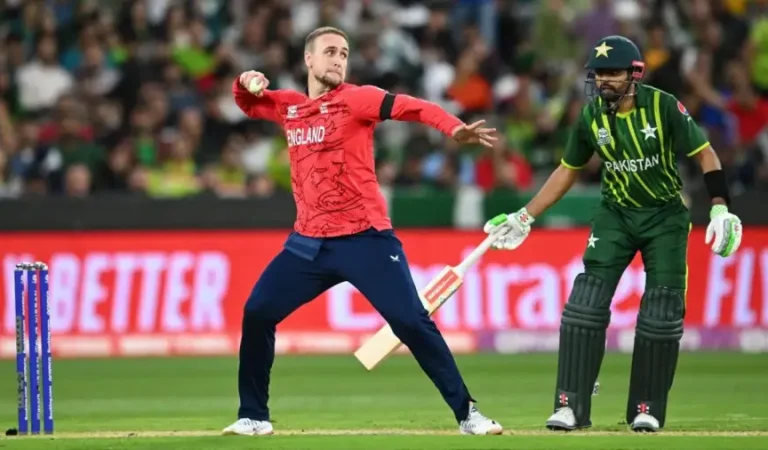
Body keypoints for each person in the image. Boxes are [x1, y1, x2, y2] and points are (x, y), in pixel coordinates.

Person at [222, 26, 502, 436]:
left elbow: (413, 108)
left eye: (344, 53)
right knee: (258, 312)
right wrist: (245, 80)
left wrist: (453, 128)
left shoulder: (358, 98)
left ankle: (467, 413)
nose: (339, 59)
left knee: (410, 322)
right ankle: (254, 416)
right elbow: (247, 103)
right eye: (330, 51)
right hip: (308, 243)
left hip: (365, 238)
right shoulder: (290, 107)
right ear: (308, 59)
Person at [483, 35, 743, 433]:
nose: (603, 80)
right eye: (598, 73)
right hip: (615, 215)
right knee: (584, 306)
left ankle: (646, 407)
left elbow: (704, 152)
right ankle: (570, 406)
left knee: (660, 312)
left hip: (665, 217)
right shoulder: (591, 117)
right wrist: (525, 215)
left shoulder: (663, 106)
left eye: (612, 73)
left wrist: (720, 206)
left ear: (634, 75)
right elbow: (568, 169)